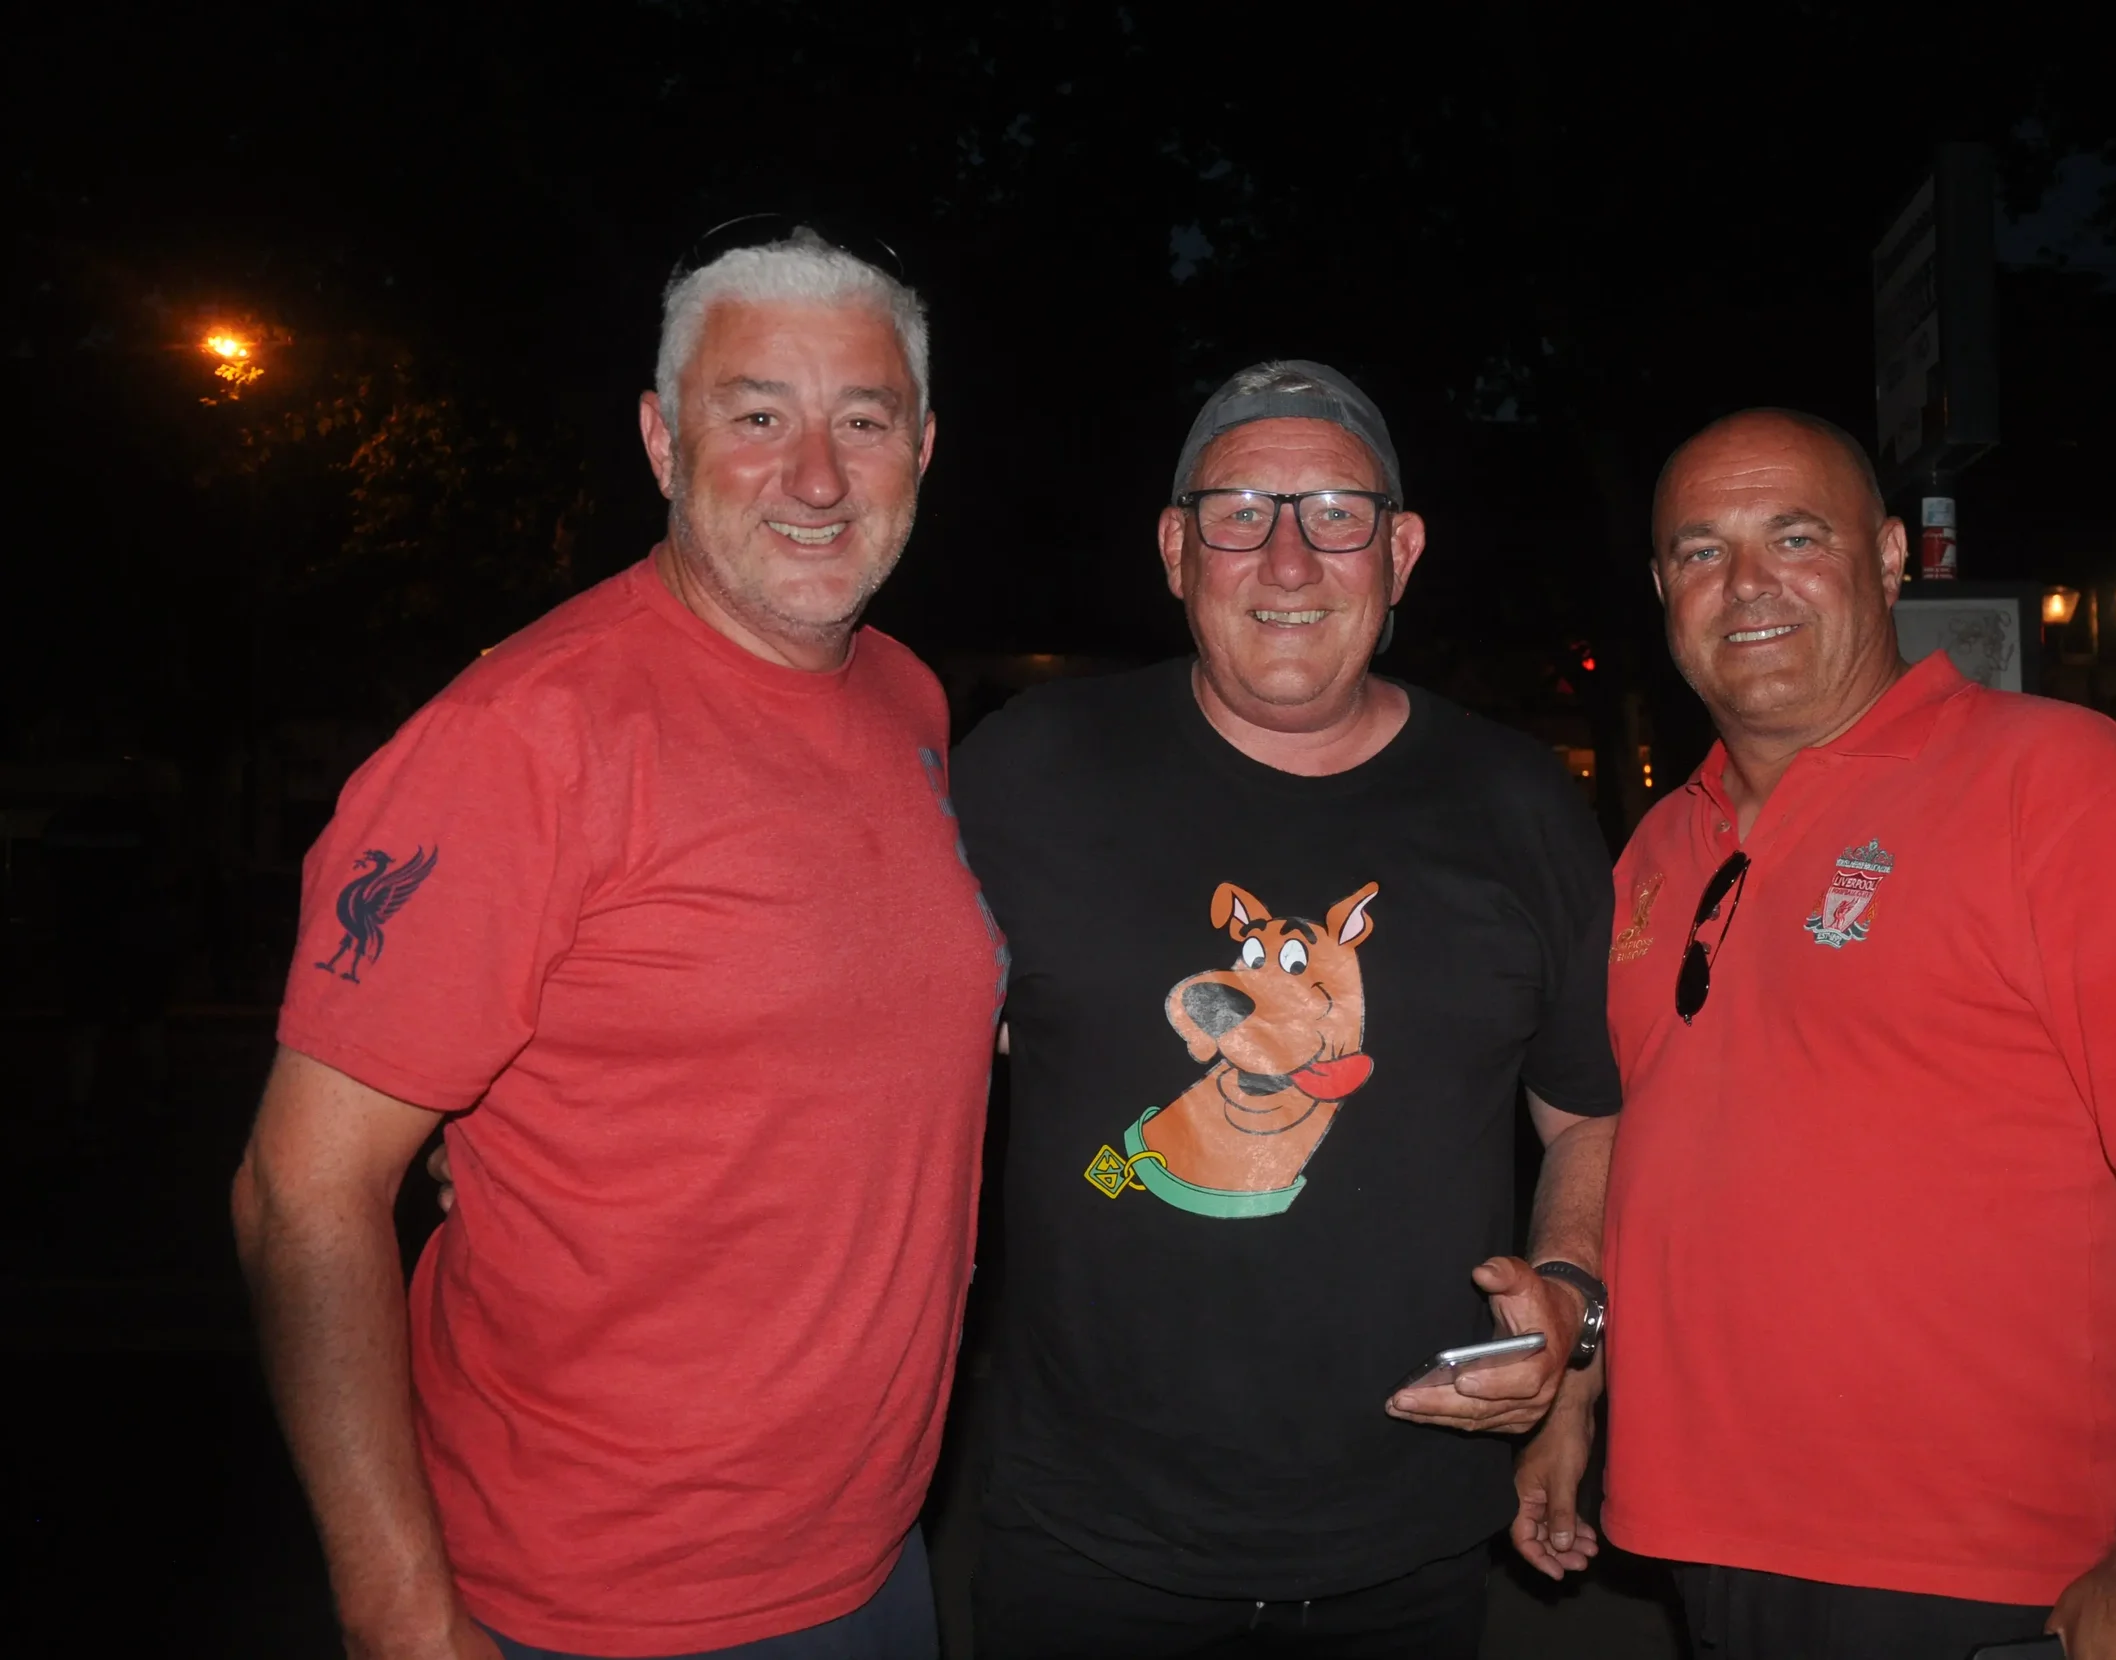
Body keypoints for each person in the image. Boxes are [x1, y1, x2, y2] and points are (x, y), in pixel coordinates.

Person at [230, 229, 1002, 1660]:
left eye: (863, 421)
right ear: (661, 439)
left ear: (924, 447)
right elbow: (300, 1193)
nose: (816, 477)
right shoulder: (517, 739)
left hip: (870, 1558)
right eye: (755, 415)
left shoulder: (905, 698)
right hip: (595, 1598)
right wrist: (401, 1615)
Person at [1547, 407, 2116, 1660]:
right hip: (1708, 1538)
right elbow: (1626, 1143)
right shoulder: (1655, 844)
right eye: (1701, 551)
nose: (1746, 583)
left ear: (1889, 558)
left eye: (1794, 537)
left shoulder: (2061, 782)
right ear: (1660, 590)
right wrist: (1571, 1397)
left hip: (1991, 1569)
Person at [949, 361, 1623, 1658]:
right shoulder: (1030, 771)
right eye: (1242, 513)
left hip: (1409, 1538)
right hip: (1087, 1542)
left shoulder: (1518, 802)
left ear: (1401, 552)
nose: (1290, 560)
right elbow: (878, 1043)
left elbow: (1587, 1112)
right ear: (1175, 549)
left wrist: (1568, 1307)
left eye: (1336, 514)